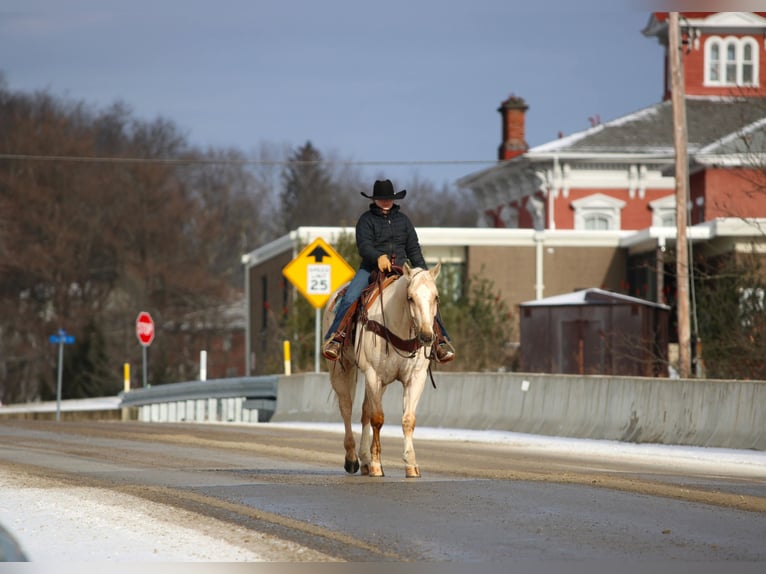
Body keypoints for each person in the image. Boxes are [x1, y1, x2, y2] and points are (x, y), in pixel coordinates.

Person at [322, 179, 455, 363]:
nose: (386, 201)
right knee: (350, 296)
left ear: (394, 199)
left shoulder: (404, 221)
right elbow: (364, 246)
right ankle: (335, 338)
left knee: (425, 298)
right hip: (371, 269)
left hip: (402, 271)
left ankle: (440, 342)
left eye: (388, 198)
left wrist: (423, 275)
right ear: (375, 199)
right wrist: (378, 257)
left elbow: (414, 249)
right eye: (382, 198)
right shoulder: (366, 220)